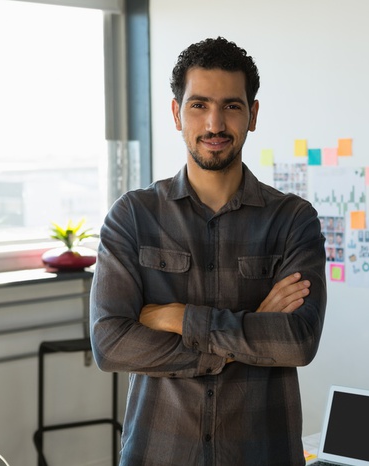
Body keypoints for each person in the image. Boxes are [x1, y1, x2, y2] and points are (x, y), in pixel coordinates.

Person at [90, 37, 327, 466]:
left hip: (262, 453)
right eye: (199, 105)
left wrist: (175, 317)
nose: (214, 124)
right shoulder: (133, 216)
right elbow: (111, 345)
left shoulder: (294, 219)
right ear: (177, 112)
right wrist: (254, 331)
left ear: (252, 115)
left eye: (231, 106)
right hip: (157, 453)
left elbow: (298, 342)